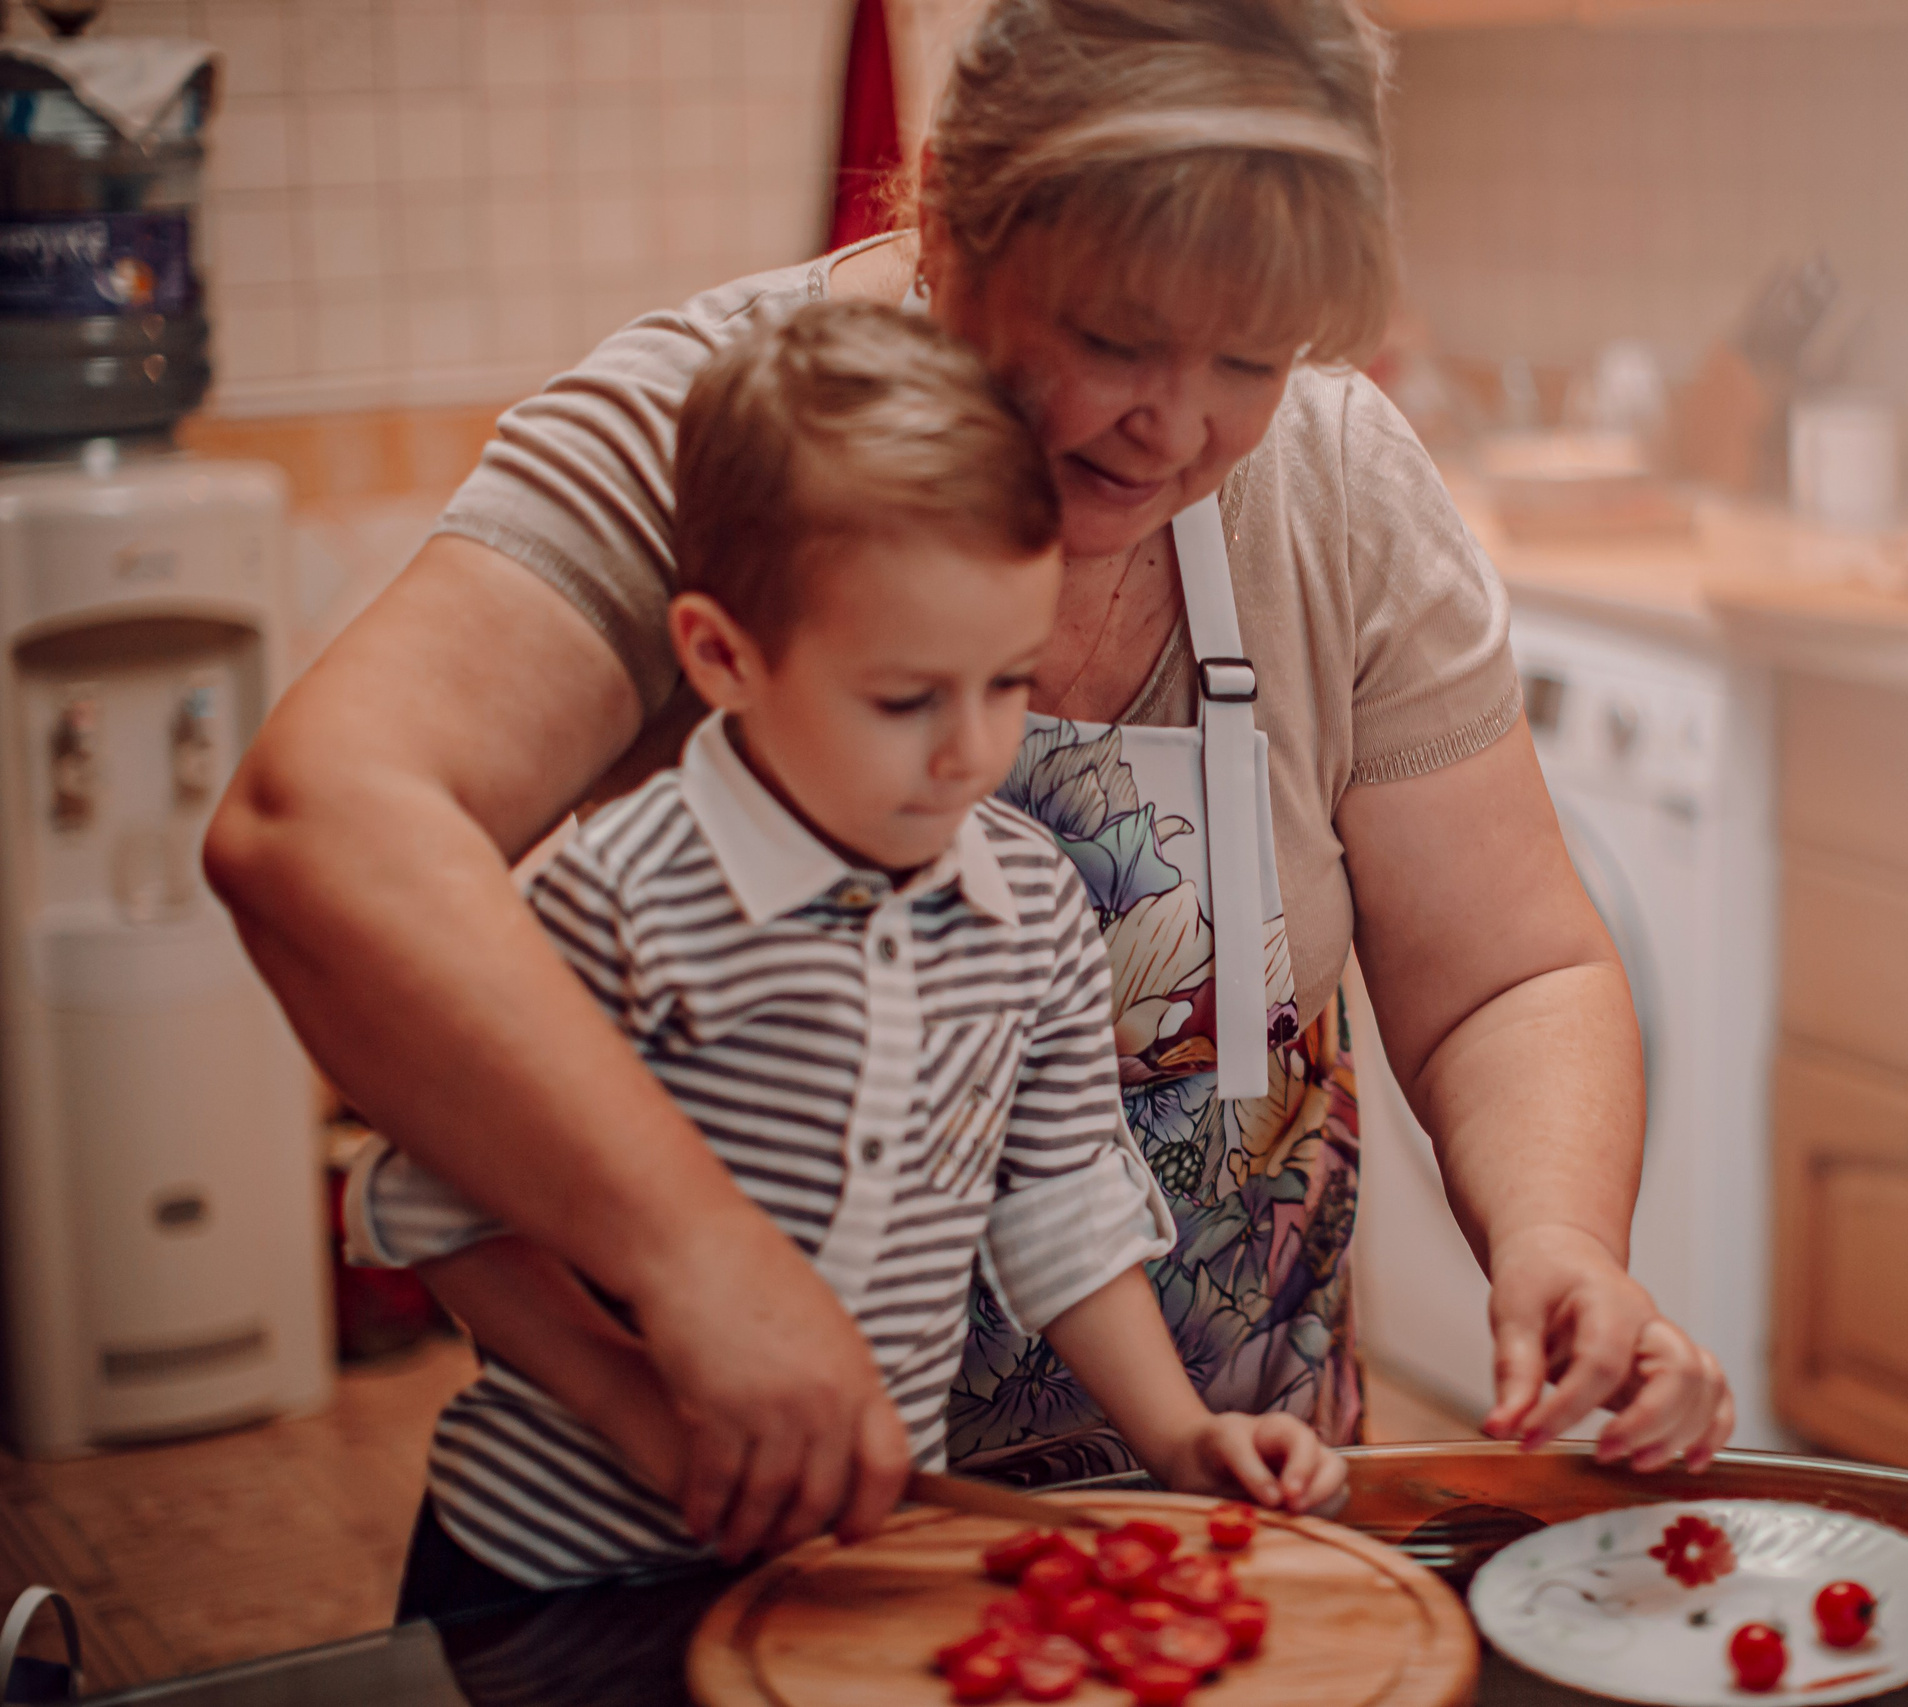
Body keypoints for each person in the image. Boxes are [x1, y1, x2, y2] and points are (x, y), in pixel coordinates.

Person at [205, 0, 1735, 1573]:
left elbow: (1511, 966)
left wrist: (1555, 1244)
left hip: (1212, 1523)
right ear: (941, 215)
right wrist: (700, 1264)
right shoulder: (728, 429)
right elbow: (319, 825)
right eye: (1115, 337)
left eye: (1252, 356)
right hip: (724, 1551)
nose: (1179, 424)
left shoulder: (1337, 480)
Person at [355, 300, 1346, 1615]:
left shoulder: (1032, 909)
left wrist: (1179, 1440)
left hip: (841, 1575)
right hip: (556, 1575)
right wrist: (640, 1405)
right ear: (724, 655)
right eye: (904, 699)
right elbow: (437, 1211)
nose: (969, 754)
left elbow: (1059, 1210)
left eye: (1006, 684)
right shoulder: (620, 903)